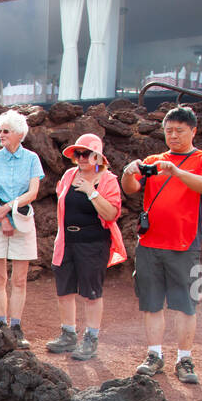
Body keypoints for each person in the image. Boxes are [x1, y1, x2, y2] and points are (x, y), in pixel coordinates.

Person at [121, 105, 202, 383]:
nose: (173, 135)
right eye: (169, 130)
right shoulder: (154, 159)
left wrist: (176, 171)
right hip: (150, 242)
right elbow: (131, 189)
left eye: (179, 130)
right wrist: (129, 173)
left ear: (193, 131)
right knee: (151, 302)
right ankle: (154, 354)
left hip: (184, 243)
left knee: (186, 304)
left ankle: (184, 357)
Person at [47, 134, 126, 362]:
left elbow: (111, 214)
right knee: (64, 290)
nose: (80, 158)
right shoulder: (69, 175)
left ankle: (91, 338)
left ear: (97, 156)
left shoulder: (108, 180)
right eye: (77, 154)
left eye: (85, 153)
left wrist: (92, 191)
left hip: (93, 243)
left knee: (91, 293)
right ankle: (68, 334)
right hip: (66, 241)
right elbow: (61, 200)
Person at [0, 110, 43, 348]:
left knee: (20, 278)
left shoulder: (32, 159)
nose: (1, 135)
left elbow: (33, 192)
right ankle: (1, 324)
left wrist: (9, 209)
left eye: (5, 131)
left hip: (22, 219)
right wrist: (2, 217)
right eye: (0, 131)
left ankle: (16, 325)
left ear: (18, 133)